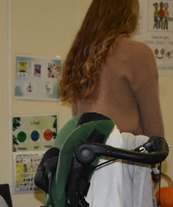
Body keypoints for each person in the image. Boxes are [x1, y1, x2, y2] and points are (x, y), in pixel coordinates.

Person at [59, 0, 164, 138]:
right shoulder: (137, 53)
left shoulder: (80, 53)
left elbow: (78, 117)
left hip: (87, 154)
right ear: (129, 15)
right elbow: (154, 129)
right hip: (125, 153)